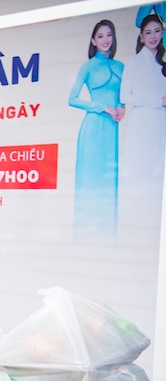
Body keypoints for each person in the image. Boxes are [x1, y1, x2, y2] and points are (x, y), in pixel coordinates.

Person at [68, 20, 125, 241]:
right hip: (93, 127)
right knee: (89, 180)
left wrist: (121, 107)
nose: (105, 40)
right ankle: (84, 234)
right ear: (93, 40)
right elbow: (72, 99)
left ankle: (108, 235)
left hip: (112, 130)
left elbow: (124, 96)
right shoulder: (89, 66)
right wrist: (102, 107)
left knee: (109, 180)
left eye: (109, 35)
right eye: (100, 36)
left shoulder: (121, 66)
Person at [119, 14, 166, 237]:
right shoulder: (134, 62)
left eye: (157, 31)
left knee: (158, 176)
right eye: (148, 32)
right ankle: (136, 230)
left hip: (161, 124)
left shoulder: (163, 62)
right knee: (139, 176)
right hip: (142, 125)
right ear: (141, 35)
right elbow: (126, 95)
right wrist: (158, 101)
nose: (153, 36)